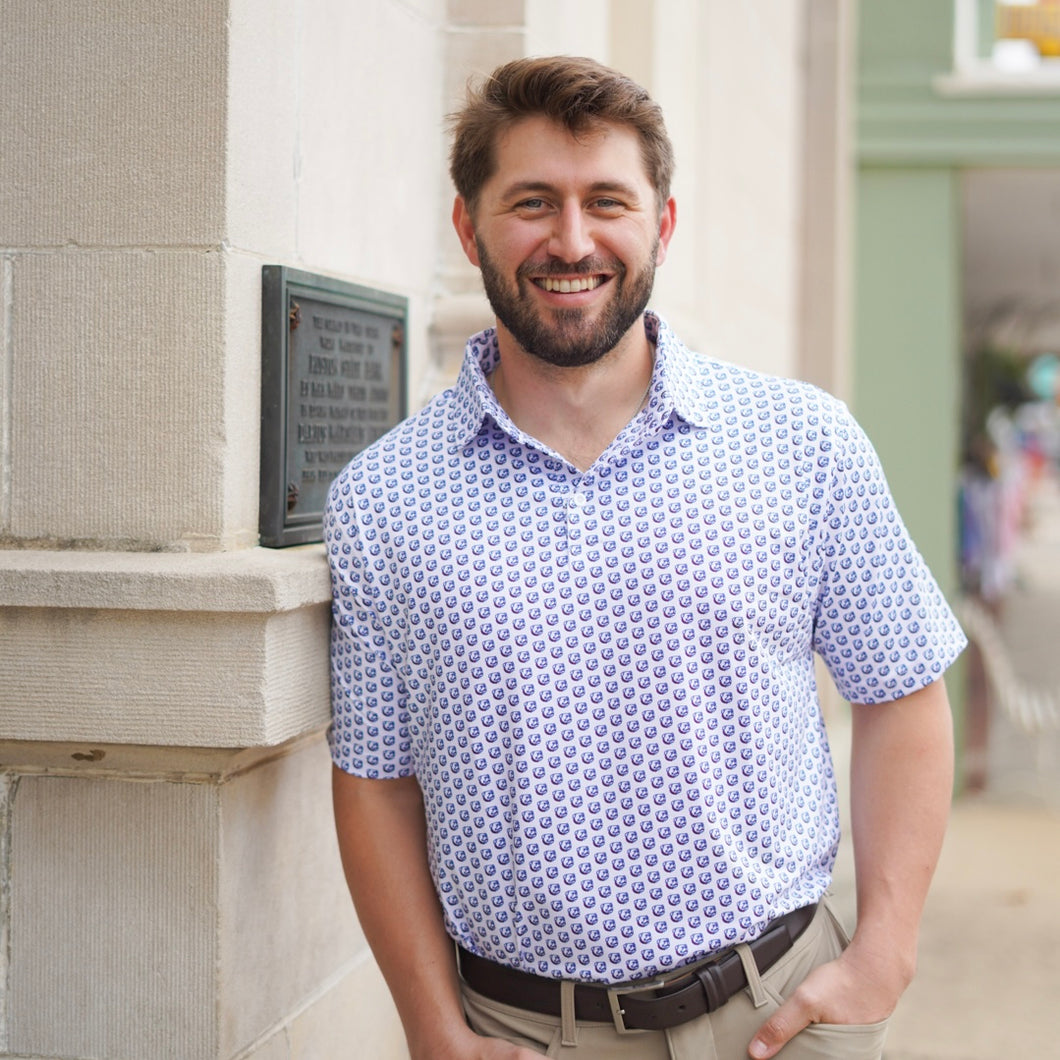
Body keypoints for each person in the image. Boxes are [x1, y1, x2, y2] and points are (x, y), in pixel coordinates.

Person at [325, 56, 966, 1060]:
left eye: (606, 202)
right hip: (525, 1032)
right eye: (531, 202)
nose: (570, 240)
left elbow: (902, 692)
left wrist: (884, 949)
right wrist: (429, 1028)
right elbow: (374, 779)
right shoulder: (381, 498)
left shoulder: (802, 442)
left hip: (782, 1013)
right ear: (467, 227)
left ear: (661, 223)